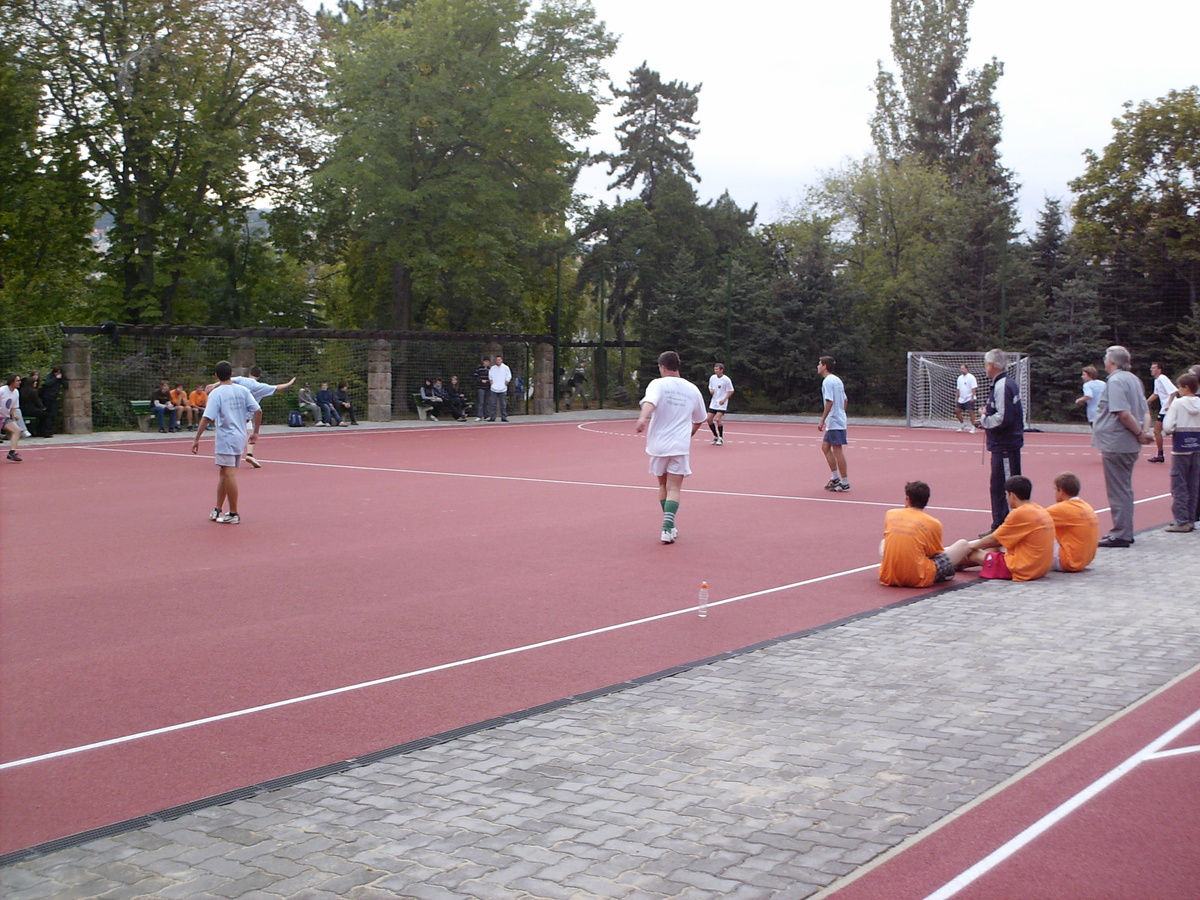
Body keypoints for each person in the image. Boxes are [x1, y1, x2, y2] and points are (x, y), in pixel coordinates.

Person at [636, 351, 707, 544]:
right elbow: (700, 419)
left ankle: (669, 526)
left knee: (662, 485)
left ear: (662, 367)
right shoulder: (692, 389)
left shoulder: (657, 384)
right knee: (674, 487)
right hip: (679, 445)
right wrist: (689, 434)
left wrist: (642, 418)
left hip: (658, 444)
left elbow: (650, 402)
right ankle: (667, 528)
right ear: (677, 366)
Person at [1092, 345, 1154, 548]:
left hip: (1117, 442)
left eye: (1106, 358)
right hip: (1127, 443)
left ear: (1112, 361)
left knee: (1118, 489)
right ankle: (1125, 530)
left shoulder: (1116, 381)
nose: (1104, 361)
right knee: (1124, 488)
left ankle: (1121, 534)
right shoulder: (1134, 379)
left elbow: (1124, 413)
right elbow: (1145, 411)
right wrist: (1143, 432)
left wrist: (1139, 434)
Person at [191, 360, 261, 525]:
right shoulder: (242, 390)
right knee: (224, 472)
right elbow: (258, 410)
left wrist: (197, 439)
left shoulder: (216, 393)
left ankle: (234, 513)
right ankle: (218, 508)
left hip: (226, 437)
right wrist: (256, 432)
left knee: (229, 473)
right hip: (240, 436)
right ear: (231, 374)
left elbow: (207, 417)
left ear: (216, 376)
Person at [947, 475, 1055, 582]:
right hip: (1041, 567)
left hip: (1023, 569)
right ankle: (959, 564)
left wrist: (969, 547)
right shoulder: (1040, 510)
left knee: (969, 550)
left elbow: (994, 539)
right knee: (994, 548)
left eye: (1006, 495)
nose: (1006, 498)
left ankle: (945, 566)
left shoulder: (1020, 513)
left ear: (1012, 495)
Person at [878, 481, 968, 588]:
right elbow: (935, 553)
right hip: (918, 577)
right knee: (963, 544)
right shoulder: (933, 523)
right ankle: (971, 552)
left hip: (888, 576)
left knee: (884, 542)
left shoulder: (890, 514)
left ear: (908, 499)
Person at [978, 348, 1024, 533]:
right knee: (998, 486)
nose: (985, 367)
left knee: (1007, 487)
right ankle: (1000, 525)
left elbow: (1003, 418)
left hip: (1005, 445)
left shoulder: (1003, 385)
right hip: (1002, 444)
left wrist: (984, 419)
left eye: (986, 364)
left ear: (992, 365)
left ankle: (1008, 527)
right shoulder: (1004, 384)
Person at [226, 367, 297, 464]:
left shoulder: (241, 379)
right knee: (249, 433)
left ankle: (235, 454)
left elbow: (226, 380)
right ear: (259, 376)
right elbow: (277, 388)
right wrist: (289, 383)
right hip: (246, 416)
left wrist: (214, 385)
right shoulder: (260, 386)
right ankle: (249, 454)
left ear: (249, 373)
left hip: (233, 413)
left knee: (235, 434)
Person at [1162, 372, 1200, 533]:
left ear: (1186, 387)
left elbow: (1168, 426)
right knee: (1193, 484)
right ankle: (1191, 519)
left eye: (1179, 387)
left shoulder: (1177, 404)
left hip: (1180, 448)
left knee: (1179, 484)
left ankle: (1182, 520)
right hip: (1197, 447)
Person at [1046, 472, 1100, 572]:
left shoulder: (1061, 509)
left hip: (1068, 561)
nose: (1054, 493)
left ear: (1061, 491)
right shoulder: (1086, 506)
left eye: (1055, 489)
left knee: (1037, 531)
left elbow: (1034, 520)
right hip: (1085, 560)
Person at [817, 355, 849, 491]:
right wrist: (842, 413)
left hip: (834, 421)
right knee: (825, 447)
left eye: (819, 364)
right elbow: (845, 400)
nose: (818, 366)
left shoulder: (827, 382)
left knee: (837, 450)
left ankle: (845, 482)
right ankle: (835, 477)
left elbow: (830, 401)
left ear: (825, 366)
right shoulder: (837, 380)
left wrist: (822, 420)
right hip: (837, 419)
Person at [1145, 361, 1177, 463]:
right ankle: (1160, 455)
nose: (1151, 370)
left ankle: (1162, 454)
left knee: (1158, 431)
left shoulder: (1162, 378)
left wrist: (1169, 404)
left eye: (1154, 368)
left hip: (1169, 409)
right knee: (1158, 431)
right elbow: (1156, 394)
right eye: (1151, 368)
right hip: (1165, 408)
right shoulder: (1157, 380)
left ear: (1159, 370)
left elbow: (1173, 392)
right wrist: (1146, 402)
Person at [706, 363, 734, 445]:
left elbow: (731, 391)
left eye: (717, 369)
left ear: (721, 370)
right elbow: (710, 387)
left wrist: (724, 399)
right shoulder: (712, 377)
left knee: (718, 419)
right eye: (715, 369)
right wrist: (711, 390)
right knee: (709, 419)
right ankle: (715, 436)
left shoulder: (726, 380)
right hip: (714, 402)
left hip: (722, 403)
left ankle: (721, 438)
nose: (715, 371)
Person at [19, 372, 53, 438]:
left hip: (23, 410)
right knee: (46, 415)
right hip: (31, 410)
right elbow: (37, 402)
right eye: (34, 382)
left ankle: (35, 430)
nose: (36, 383)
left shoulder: (21, 391)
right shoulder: (33, 391)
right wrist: (43, 408)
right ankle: (44, 431)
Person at [37, 367, 67, 437]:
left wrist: (61, 379)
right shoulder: (50, 376)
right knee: (48, 414)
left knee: (53, 414)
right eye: (56, 373)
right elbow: (47, 384)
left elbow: (65, 385)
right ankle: (45, 431)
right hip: (47, 397)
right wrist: (56, 379)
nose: (57, 374)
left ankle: (48, 430)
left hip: (53, 397)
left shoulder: (60, 378)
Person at [1, 374, 23, 461]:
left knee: (16, 430)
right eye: (17, 380)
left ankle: (12, 453)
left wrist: (14, 414)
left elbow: (13, 407)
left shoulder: (16, 392)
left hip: (5, 417)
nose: (19, 382)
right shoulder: (2, 390)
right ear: (11, 381)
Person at [488, 354, 512, 422]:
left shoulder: (506, 368)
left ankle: (504, 417)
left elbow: (509, 376)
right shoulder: (492, 368)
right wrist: (492, 384)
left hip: (503, 389)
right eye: (497, 360)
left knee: (503, 404)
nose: (498, 361)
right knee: (493, 404)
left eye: (499, 360)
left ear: (501, 360)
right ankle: (492, 417)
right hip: (494, 389)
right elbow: (490, 377)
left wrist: (505, 383)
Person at [955, 364, 978, 433]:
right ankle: (962, 424)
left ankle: (973, 427)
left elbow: (974, 388)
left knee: (971, 411)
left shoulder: (971, 377)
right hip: (961, 398)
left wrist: (972, 397)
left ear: (966, 369)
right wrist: (956, 397)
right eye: (961, 368)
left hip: (969, 397)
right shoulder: (959, 378)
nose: (961, 370)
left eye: (963, 368)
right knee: (957, 410)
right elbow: (958, 388)